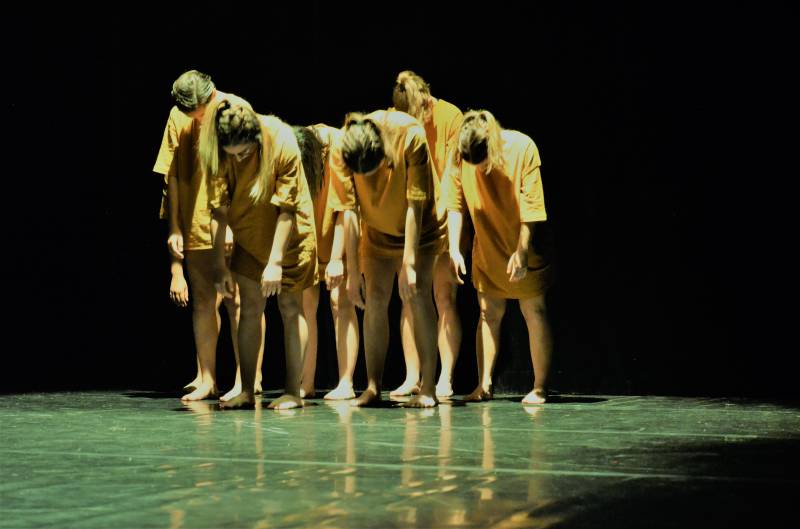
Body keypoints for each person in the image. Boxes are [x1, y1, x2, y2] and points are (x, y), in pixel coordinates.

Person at [200, 98, 317, 409]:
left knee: (290, 306)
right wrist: (219, 265)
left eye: (244, 153)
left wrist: (276, 261)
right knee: (250, 306)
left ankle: (293, 391)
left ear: (255, 141)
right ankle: (247, 391)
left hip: (290, 235)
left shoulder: (281, 140)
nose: (238, 160)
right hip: (249, 232)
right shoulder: (218, 151)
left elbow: (287, 209)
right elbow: (218, 211)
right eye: (232, 155)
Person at [327, 110, 445, 408]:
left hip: (422, 227)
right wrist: (353, 271)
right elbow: (350, 212)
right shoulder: (344, 146)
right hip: (377, 230)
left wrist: (409, 262)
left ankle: (428, 387)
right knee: (375, 297)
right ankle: (372, 386)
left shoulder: (410, 136)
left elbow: (415, 204)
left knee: (418, 293)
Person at [442, 110, 554, 404]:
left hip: (522, 244)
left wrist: (522, 250)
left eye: (482, 161)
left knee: (534, 311)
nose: (478, 168)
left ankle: (540, 387)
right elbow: (455, 203)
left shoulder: (522, 148)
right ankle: (484, 385)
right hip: (489, 245)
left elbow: (532, 206)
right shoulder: (460, 152)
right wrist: (454, 248)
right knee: (487, 314)